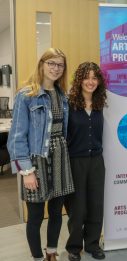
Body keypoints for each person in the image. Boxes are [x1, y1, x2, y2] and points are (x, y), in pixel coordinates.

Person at [7, 48, 75, 261]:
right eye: (51, 63)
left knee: (56, 212)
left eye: (60, 65)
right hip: (36, 159)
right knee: (36, 215)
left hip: (60, 157)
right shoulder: (26, 95)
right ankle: (37, 257)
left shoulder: (63, 95)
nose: (56, 68)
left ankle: (51, 252)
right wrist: (26, 171)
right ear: (42, 65)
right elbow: (17, 136)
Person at [64, 62, 107, 261]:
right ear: (79, 80)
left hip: (97, 161)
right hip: (75, 162)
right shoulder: (69, 105)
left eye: (94, 77)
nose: (90, 82)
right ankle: (74, 247)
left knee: (96, 205)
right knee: (77, 207)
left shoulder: (100, 105)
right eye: (86, 77)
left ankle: (92, 244)